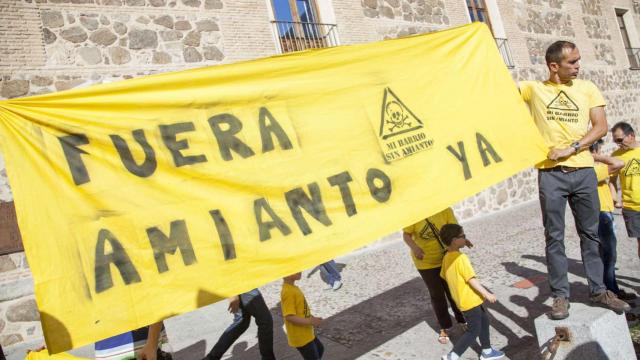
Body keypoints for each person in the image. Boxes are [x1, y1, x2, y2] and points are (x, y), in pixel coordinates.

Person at [519, 40, 630, 320]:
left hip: (583, 172)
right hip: (550, 175)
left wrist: (572, 148)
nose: (579, 66)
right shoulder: (534, 89)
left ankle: (599, 290)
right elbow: (492, 90)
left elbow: (601, 126)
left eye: (578, 60)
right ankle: (560, 297)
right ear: (553, 66)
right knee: (554, 237)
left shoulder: (588, 88)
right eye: (573, 62)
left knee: (591, 235)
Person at [439, 224, 504, 360]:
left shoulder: (447, 257)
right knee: (473, 330)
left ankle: (487, 351)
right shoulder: (461, 258)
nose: (465, 238)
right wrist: (487, 293)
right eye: (463, 236)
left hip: (465, 300)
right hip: (470, 301)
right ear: (454, 240)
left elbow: (444, 275)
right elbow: (471, 280)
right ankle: (453, 355)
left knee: (485, 321)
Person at [402, 207, 467, 344]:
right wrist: (415, 248)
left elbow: (454, 229)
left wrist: (463, 240)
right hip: (426, 262)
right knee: (437, 295)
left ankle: (462, 320)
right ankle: (445, 327)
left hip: (446, 257)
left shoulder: (444, 208)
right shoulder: (413, 213)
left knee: (453, 291)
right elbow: (406, 235)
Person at [590, 140, 636, 300]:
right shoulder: (593, 169)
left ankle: (612, 289)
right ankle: (611, 291)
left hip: (604, 212)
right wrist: (595, 156)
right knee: (609, 255)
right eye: (599, 148)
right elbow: (618, 162)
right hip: (601, 214)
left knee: (607, 254)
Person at [204, 289, 276, 360]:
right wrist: (233, 294)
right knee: (265, 321)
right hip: (243, 286)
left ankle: (211, 357)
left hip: (241, 286)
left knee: (241, 323)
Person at [611, 121, 640, 260]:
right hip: (631, 207)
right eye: (615, 141)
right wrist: (615, 198)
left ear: (631, 136)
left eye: (620, 140)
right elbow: (611, 180)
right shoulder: (615, 156)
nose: (618, 143)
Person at [281, 272, 324, 359]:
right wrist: (310, 321)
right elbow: (289, 317)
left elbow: (302, 309)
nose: (300, 270)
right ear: (286, 273)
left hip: (306, 332)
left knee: (320, 349)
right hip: (300, 337)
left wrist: (312, 317)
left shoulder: (293, 288)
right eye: (295, 269)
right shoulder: (288, 292)